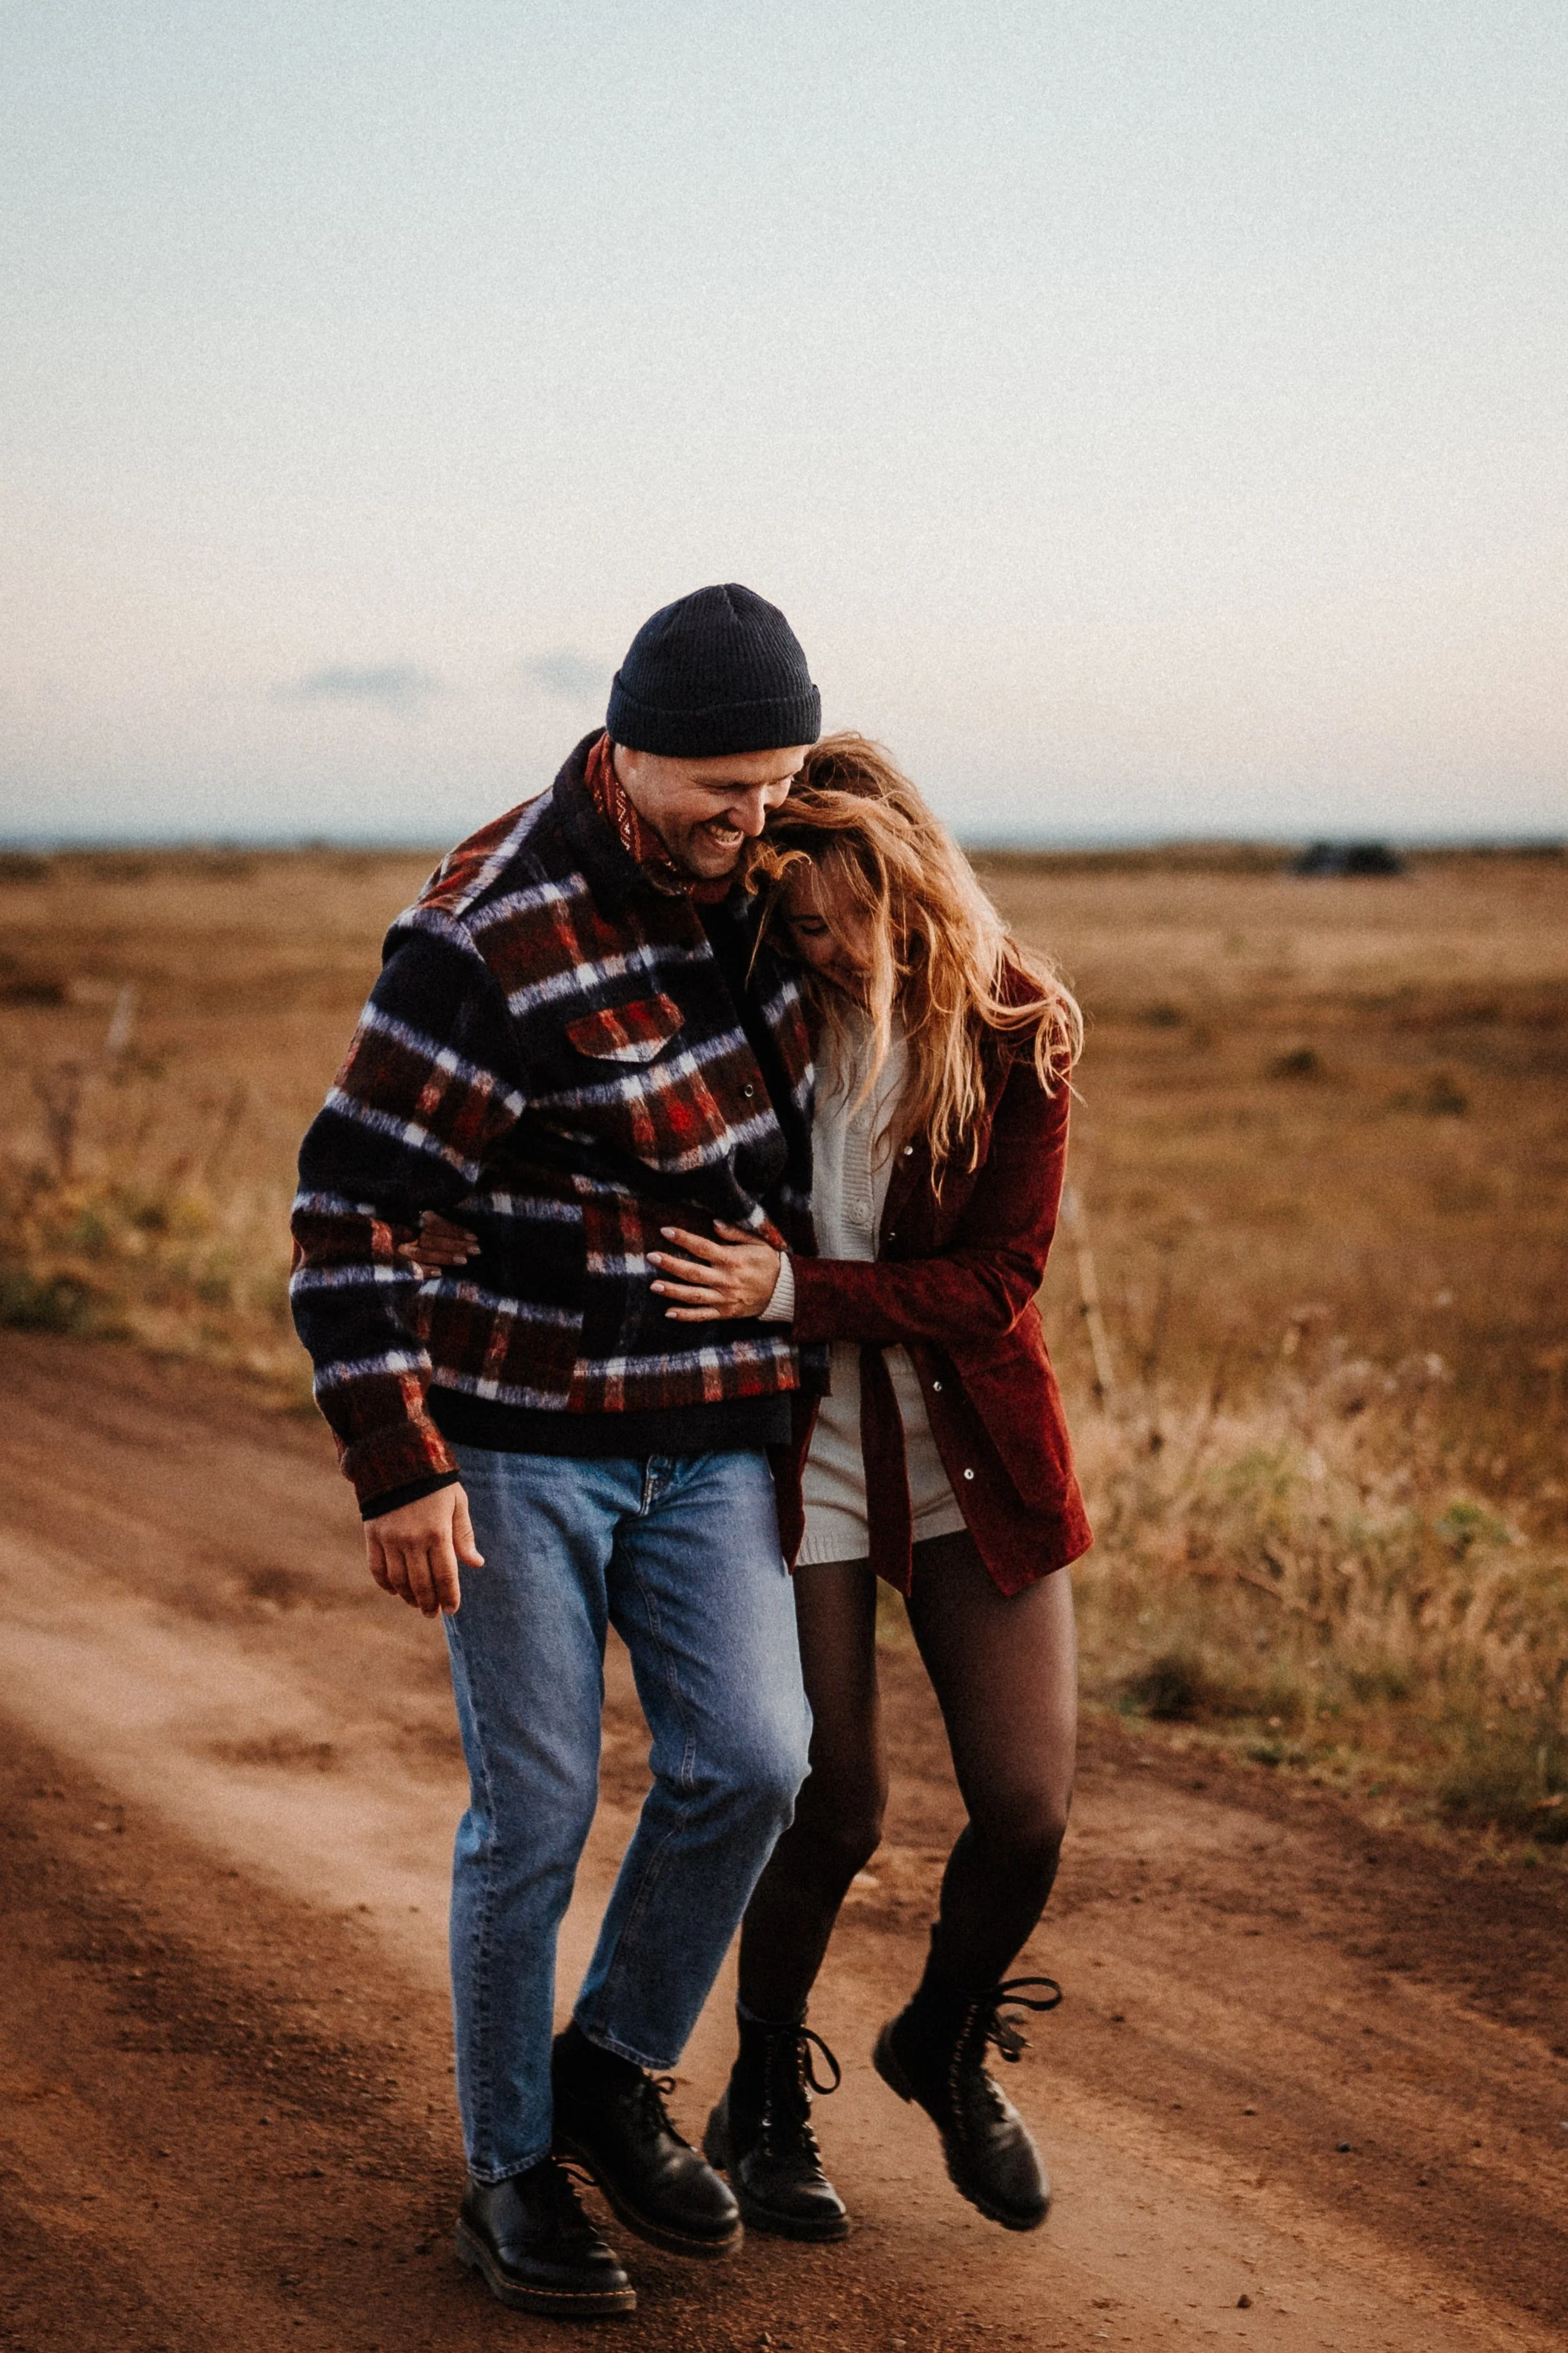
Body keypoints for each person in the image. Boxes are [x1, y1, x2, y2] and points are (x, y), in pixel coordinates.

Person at [289, 585, 826, 2321]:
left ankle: (611, 2059)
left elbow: (913, 982)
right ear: (624, 753)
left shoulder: (770, 875)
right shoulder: (483, 927)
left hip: (716, 1429)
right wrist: (399, 1460)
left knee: (753, 1757)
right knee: (535, 1809)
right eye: (722, 793)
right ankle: (511, 2169)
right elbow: (349, 1204)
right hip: (522, 1439)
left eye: (778, 786)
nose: (754, 826)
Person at [643, 734, 1090, 2240]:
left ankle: (940, 2042)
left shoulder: (1018, 1023)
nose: (829, 948)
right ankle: (760, 2095)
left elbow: (992, 1285)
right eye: (804, 922)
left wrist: (792, 1291)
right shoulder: (758, 1003)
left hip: (969, 1439)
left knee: (1024, 1809)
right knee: (828, 1805)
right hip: (802, 1440)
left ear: (913, 885)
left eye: (854, 918)